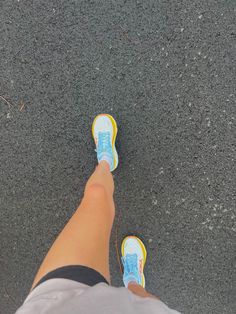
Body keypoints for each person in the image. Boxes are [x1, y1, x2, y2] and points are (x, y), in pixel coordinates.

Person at [16, 114, 180, 314]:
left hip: (57, 306)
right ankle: (133, 281)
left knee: (97, 193)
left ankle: (106, 160)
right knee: (139, 299)